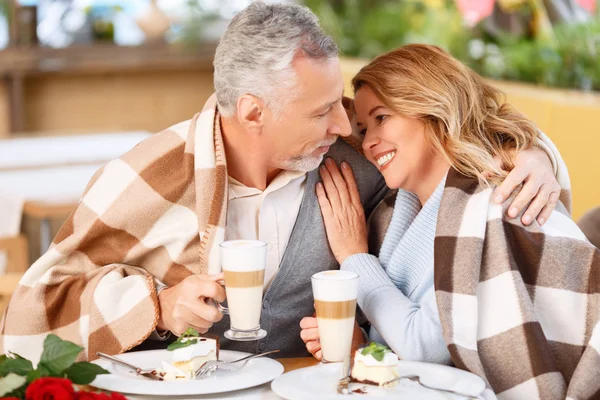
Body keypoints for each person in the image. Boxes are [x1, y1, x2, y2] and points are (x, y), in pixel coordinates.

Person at [1, 3, 562, 363]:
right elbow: (33, 313)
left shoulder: (359, 152)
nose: (344, 126)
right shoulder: (148, 176)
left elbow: (460, 132)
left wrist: (536, 155)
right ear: (253, 113)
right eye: (322, 113)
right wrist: (158, 306)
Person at [300, 44, 599, 399]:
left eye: (382, 118)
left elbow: (424, 347)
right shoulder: (395, 215)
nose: (369, 143)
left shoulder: (494, 206)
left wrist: (354, 258)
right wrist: (361, 347)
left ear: (432, 107)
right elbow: (427, 357)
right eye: (363, 130)